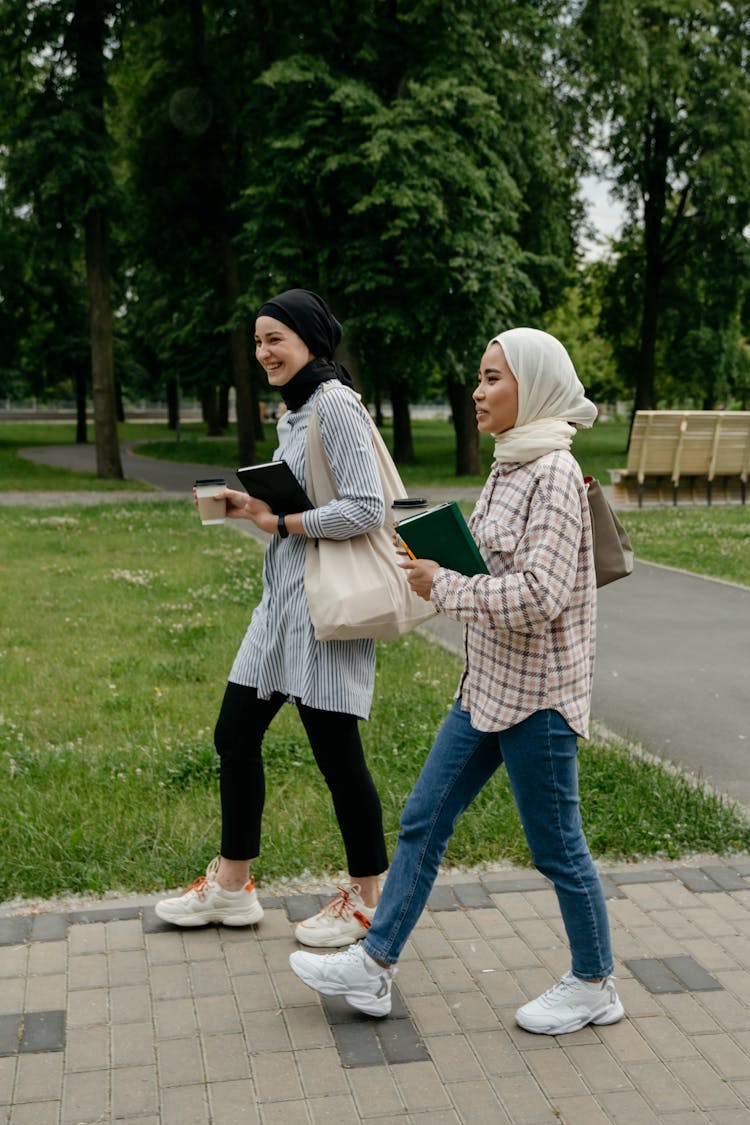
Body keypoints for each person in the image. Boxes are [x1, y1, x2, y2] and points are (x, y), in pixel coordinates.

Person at [290, 326, 625, 1035]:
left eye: (493, 378)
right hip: (486, 686)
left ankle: (595, 982)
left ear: (531, 387)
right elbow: (487, 562)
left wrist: (444, 584)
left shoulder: (555, 474)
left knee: (557, 846)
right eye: (479, 376)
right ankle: (374, 967)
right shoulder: (509, 464)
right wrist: (435, 553)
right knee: (423, 819)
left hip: (537, 696)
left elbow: (539, 596)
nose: (477, 391)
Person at [156, 288, 388, 946]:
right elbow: (307, 498)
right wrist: (248, 505)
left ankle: (371, 898)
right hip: (282, 607)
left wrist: (278, 519)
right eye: (257, 343)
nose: (263, 353)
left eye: (274, 340)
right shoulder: (296, 413)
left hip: (327, 606)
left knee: (338, 755)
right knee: (235, 734)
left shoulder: (336, 406)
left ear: (310, 339)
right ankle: (232, 887)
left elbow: (369, 508)